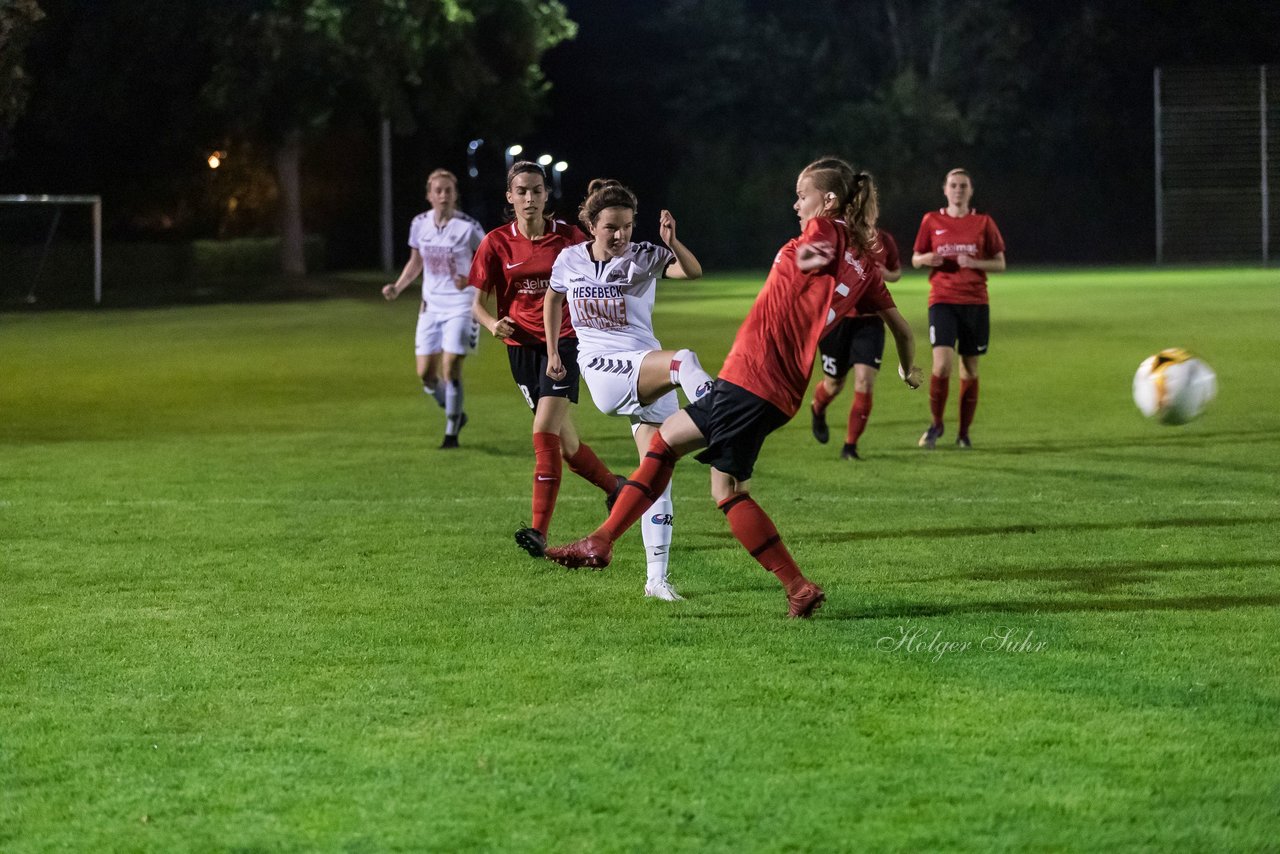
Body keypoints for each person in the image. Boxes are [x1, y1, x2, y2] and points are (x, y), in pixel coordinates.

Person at [544, 158, 924, 618]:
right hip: (781, 395)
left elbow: (818, 250)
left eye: (802, 195)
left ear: (827, 201)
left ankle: (600, 541)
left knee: (663, 444)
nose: (795, 203)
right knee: (726, 489)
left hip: (750, 378)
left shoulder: (824, 232)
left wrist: (810, 256)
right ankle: (798, 588)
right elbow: (902, 329)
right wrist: (908, 369)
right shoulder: (863, 262)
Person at [544, 179, 711, 602]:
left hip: (644, 367)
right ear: (591, 225)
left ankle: (656, 580)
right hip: (604, 369)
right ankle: (724, 417)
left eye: (627, 226)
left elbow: (690, 272)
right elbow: (552, 299)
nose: (620, 236)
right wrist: (553, 352)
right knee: (683, 360)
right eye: (610, 227)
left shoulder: (645, 256)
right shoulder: (569, 260)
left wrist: (673, 242)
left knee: (657, 474)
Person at [469, 161, 623, 557]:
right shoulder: (496, 243)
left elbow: (602, 257)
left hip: (565, 343)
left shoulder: (568, 239)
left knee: (543, 431)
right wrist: (491, 324)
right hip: (520, 350)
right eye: (521, 191)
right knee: (567, 445)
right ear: (510, 196)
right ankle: (616, 489)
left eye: (537, 190)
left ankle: (538, 531)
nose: (530, 198)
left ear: (546, 194)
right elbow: (475, 303)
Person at [382, 168, 485, 449]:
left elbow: (489, 262)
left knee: (450, 367)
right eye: (438, 190)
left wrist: (471, 279)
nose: (443, 195)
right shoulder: (419, 224)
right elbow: (416, 261)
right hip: (430, 306)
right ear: (429, 195)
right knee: (426, 374)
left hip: (461, 305)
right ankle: (456, 412)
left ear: (455, 195)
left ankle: (451, 432)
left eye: (448, 191)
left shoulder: (469, 227)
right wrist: (398, 286)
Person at [910, 167, 1006, 449]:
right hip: (942, 299)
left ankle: (964, 433)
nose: (958, 190)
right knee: (942, 364)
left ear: (970, 190)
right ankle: (936, 424)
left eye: (963, 185)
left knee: (970, 369)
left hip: (975, 301)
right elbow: (915, 259)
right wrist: (927, 258)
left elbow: (1000, 263)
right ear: (945, 189)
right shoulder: (931, 220)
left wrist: (974, 263)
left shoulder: (983, 222)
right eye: (953, 185)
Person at [810, 216, 903, 460]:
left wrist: (884, 274)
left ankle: (850, 446)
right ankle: (817, 408)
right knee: (834, 385)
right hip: (837, 320)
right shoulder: (839, 237)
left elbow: (896, 272)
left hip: (871, 321)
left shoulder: (884, 240)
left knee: (864, 382)